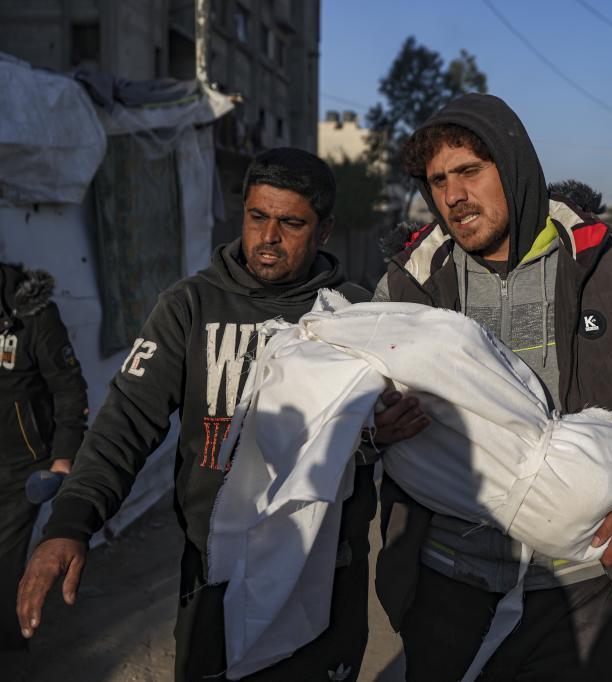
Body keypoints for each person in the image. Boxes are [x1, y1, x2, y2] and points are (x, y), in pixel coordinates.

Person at [15, 148, 411, 681]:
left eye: (291, 223)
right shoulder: (189, 307)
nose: (268, 237)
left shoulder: (357, 315)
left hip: (325, 578)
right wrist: (70, 524)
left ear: (322, 232)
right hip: (215, 572)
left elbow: (396, 426)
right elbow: (124, 424)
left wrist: (375, 434)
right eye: (257, 217)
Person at [373, 93, 612, 681]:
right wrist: (371, 426)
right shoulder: (411, 284)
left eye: (469, 171)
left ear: (513, 165)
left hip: (584, 588)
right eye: (437, 180)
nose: (453, 196)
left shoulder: (606, 264)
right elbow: (349, 404)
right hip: (448, 586)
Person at [0, 264, 87, 677]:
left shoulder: (32, 313)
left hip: (21, 466)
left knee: (3, 562)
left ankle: (10, 651)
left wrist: (63, 455)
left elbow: (69, 386)